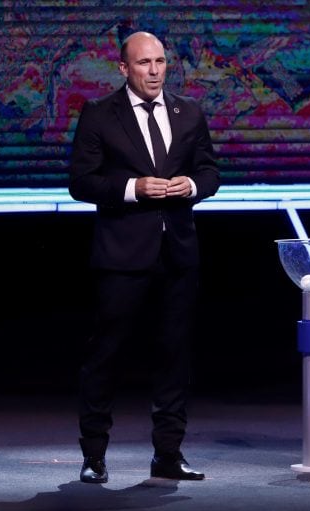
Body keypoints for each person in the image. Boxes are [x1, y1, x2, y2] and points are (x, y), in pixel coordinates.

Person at [69, 31, 220, 484]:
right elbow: (82, 182)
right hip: (122, 258)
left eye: (160, 62)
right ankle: (94, 455)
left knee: (174, 357)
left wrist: (190, 187)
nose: (154, 71)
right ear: (123, 68)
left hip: (177, 255)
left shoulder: (188, 111)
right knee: (107, 357)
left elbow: (209, 171)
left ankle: (168, 455)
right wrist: (135, 189)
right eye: (143, 63)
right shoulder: (99, 115)